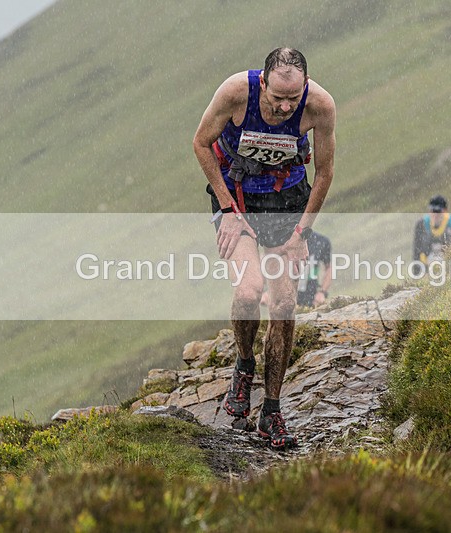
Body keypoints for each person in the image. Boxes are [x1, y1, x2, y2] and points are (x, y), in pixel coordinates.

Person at [193, 47, 336, 449]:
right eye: (277, 98)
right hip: (236, 199)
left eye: (293, 98)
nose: (285, 106)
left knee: (284, 305)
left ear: (305, 86)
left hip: (286, 205)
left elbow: (324, 172)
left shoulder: (320, 106)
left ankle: (271, 411)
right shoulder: (236, 92)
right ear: (263, 83)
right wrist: (227, 209)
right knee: (249, 290)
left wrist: (302, 233)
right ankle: (244, 364)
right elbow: (201, 143)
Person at [261, 229, 333, 308]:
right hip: (284, 297)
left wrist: (322, 292)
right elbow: (268, 262)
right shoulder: (282, 238)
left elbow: (329, 268)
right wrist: (267, 292)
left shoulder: (321, 241)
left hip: (311, 299)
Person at [412, 195, 451, 273]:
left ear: (445, 211)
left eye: (438, 211)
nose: (435, 215)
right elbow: (416, 253)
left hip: (448, 269)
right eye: (432, 211)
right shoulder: (421, 224)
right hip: (426, 269)